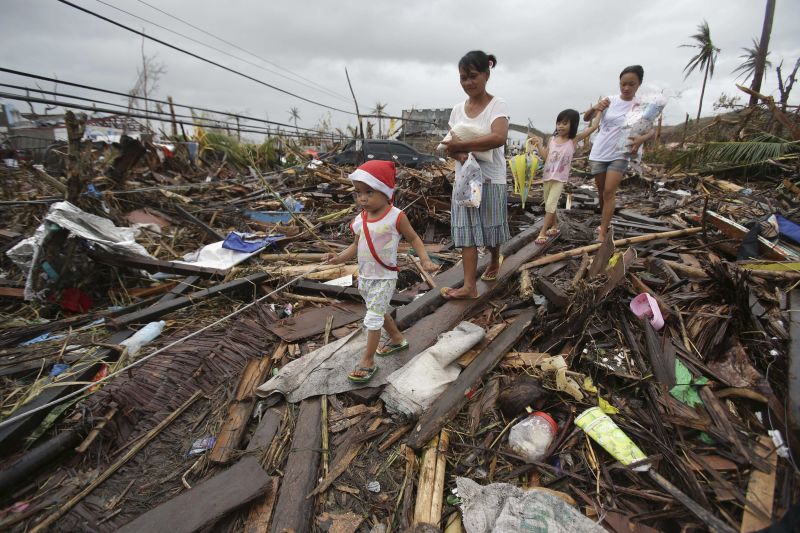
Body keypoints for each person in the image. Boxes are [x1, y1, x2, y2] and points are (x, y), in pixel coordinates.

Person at [323, 160, 437, 383]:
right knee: (380, 310)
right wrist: (338, 258)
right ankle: (396, 338)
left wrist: (424, 259)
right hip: (365, 277)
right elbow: (355, 246)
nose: (363, 198)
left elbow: (414, 238)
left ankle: (368, 360)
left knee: (373, 318)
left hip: (384, 277)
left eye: (369, 192)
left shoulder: (396, 216)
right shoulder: (360, 219)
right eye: (358, 193)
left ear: (385, 192)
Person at [440, 50, 510, 300]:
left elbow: (499, 137)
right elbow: (451, 146)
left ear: (486, 74)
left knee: (491, 230)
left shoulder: (497, 105)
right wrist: (461, 155)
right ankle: (469, 286)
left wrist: (463, 147)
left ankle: (494, 258)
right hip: (466, 180)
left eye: (472, 76)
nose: (468, 83)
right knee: (467, 232)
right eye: (462, 78)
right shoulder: (457, 110)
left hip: (491, 178)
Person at [583, 65, 656, 242]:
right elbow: (587, 118)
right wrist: (595, 107)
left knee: (609, 192)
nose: (626, 88)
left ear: (639, 84)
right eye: (623, 84)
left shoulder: (642, 106)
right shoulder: (610, 100)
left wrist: (640, 140)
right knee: (601, 191)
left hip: (621, 152)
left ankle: (602, 232)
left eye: (631, 84)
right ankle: (604, 221)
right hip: (600, 151)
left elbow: (651, 130)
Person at [529, 109, 599, 245]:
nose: (560, 126)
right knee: (550, 206)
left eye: (565, 123)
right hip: (547, 177)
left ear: (572, 125)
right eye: (559, 123)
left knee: (550, 205)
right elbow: (545, 158)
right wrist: (538, 146)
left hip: (559, 179)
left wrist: (599, 111)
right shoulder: (552, 140)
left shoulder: (573, 140)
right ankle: (554, 227)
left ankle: (543, 232)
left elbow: (593, 127)